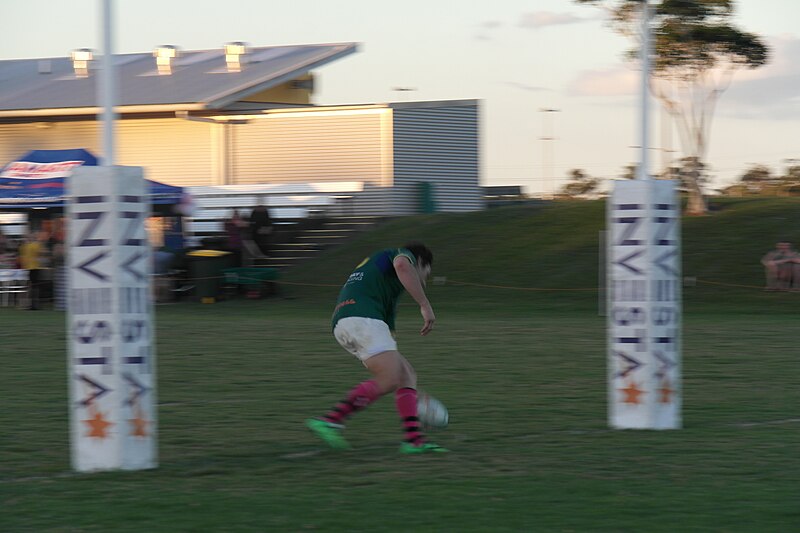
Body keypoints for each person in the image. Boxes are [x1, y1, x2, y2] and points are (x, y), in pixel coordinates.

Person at [305, 242, 448, 454]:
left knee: (405, 374)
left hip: (349, 322)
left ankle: (413, 440)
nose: (423, 281)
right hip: (362, 319)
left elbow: (387, 327)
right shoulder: (400, 255)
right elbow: (402, 265)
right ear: (419, 262)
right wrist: (425, 305)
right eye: (424, 274)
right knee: (389, 379)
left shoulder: (381, 276)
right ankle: (331, 420)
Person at [18, 230, 46, 310]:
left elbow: (23, 255)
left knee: (31, 286)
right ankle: (33, 305)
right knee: (34, 287)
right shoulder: (35, 245)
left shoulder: (25, 246)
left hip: (29, 267)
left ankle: (30, 304)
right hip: (34, 267)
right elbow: (41, 252)